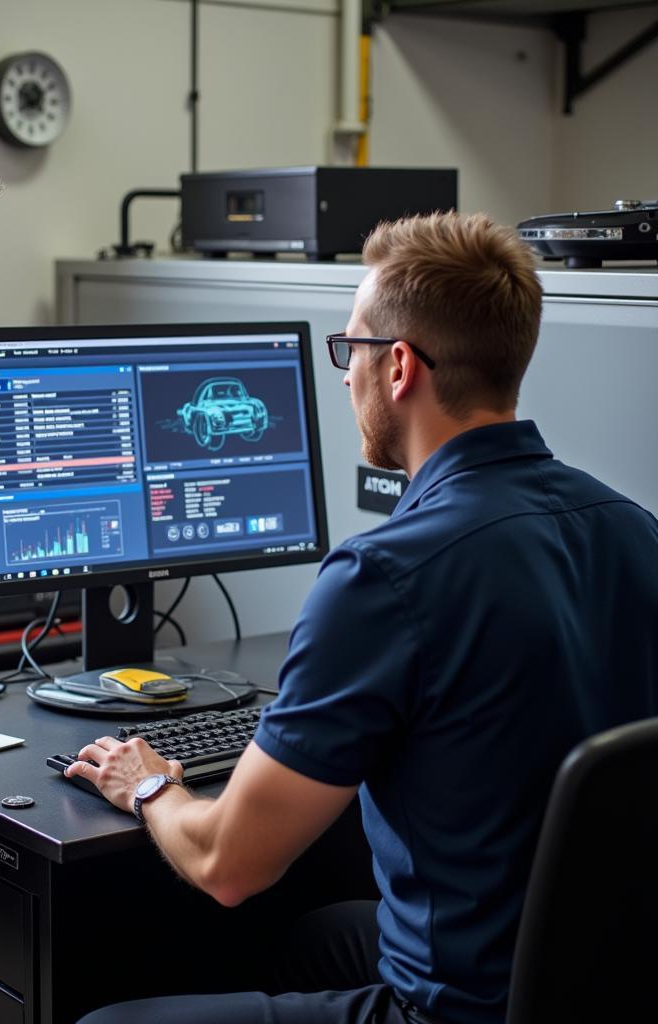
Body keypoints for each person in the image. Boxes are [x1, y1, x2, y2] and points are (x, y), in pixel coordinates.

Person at [66, 212, 658, 1024]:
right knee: (306, 938)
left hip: (457, 1007)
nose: (346, 377)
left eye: (352, 352)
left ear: (401, 367)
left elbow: (226, 865)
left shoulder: (385, 575)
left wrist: (149, 783)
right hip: (588, 974)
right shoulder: (635, 529)